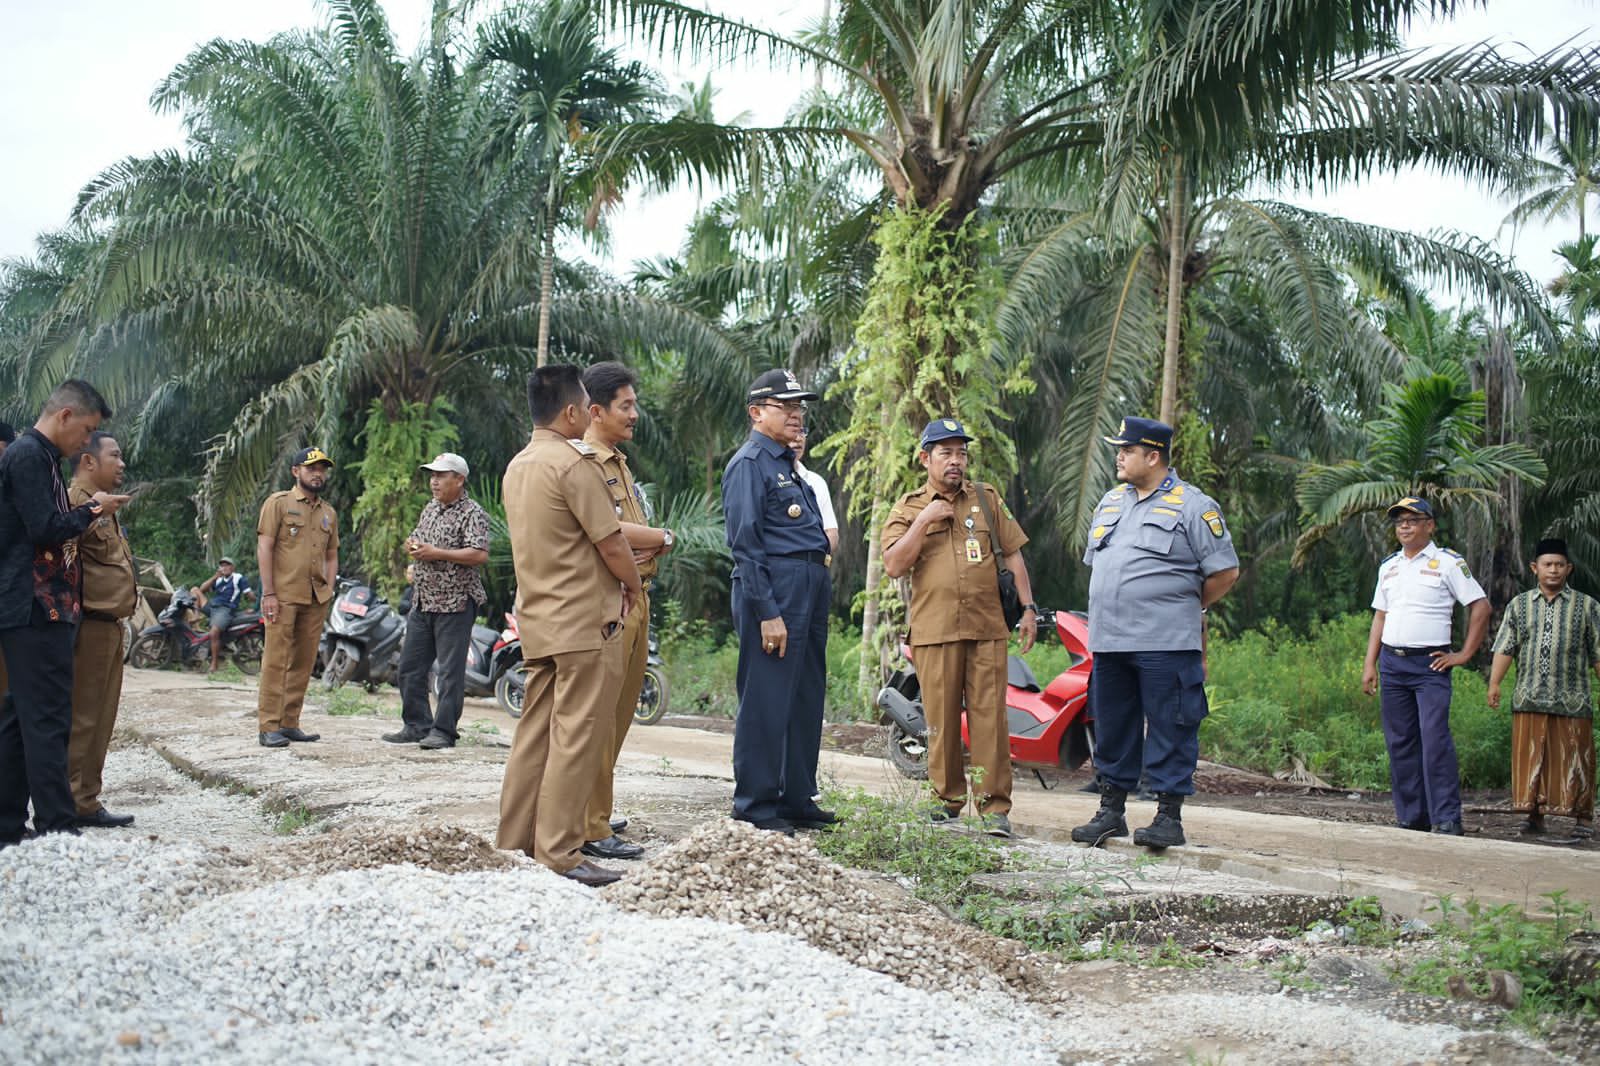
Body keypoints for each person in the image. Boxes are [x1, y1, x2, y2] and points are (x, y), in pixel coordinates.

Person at [497, 365, 642, 888]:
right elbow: (610, 542)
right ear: (572, 412)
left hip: (538, 619)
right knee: (576, 739)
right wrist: (632, 585)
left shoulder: (518, 465)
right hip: (583, 622)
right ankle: (559, 854)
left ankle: (514, 842)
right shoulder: (573, 464)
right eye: (584, 405)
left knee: (534, 736)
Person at [1072, 416, 1239, 849]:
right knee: (1112, 728)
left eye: (1127, 450)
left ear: (1153, 456)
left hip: (1165, 642)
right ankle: (1111, 812)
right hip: (1110, 642)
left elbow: (1225, 572)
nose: (1119, 457)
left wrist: (1184, 606)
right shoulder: (1110, 502)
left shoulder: (1193, 505)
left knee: (1170, 726)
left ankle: (1168, 817)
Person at [882, 418, 1038, 837]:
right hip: (934, 631)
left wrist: (1027, 608)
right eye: (946, 453)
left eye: (961, 453)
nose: (956, 461)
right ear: (925, 458)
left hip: (987, 627)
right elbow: (895, 564)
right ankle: (945, 801)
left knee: (990, 720)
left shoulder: (985, 498)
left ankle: (994, 810)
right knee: (942, 720)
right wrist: (924, 520)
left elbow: (1013, 555)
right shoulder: (909, 506)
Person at [0, 381, 128, 846]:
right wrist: (94, 508)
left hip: (38, 605)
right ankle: (57, 824)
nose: (84, 443)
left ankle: (9, 826)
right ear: (66, 416)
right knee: (49, 718)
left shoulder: (40, 458)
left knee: (19, 717)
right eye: (87, 430)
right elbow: (47, 529)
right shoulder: (29, 455)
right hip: (35, 606)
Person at [722, 368, 836, 836]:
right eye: (785, 406)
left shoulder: (788, 464)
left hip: (808, 584)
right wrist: (768, 611)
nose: (796, 414)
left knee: (805, 696)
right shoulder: (750, 463)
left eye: (799, 407)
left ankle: (796, 796)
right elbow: (746, 544)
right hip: (775, 588)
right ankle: (755, 803)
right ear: (756, 413)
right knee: (767, 696)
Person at [578, 361, 674, 862]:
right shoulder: (586, 462)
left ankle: (596, 807)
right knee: (600, 717)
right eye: (626, 406)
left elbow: (627, 528)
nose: (635, 414)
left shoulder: (618, 460)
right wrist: (664, 538)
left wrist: (648, 544)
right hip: (608, 600)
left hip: (636, 596)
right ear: (595, 411)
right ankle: (590, 824)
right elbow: (611, 531)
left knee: (619, 716)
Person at [1360, 497, 1490, 836]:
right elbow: (1380, 616)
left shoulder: (1447, 563)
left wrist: (1463, 655)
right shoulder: (1388, 566)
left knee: (1434, 740)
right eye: (1399, 521)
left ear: (1429, 525)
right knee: (1400, 742)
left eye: (1413, 520)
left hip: (1430, 664)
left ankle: (1446, 818)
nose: (1404, 526)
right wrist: (1369, 664)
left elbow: (1480, 606)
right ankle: (1412, 818)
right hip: (1392, 663)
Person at [1488, 537, 1599, 840]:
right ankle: (1534, 817)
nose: (1554, 570)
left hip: (1573, 701)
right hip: (1529, 696)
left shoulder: (1588, 606)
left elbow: (1598, 653)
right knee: (1532, 760)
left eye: (1559, 565)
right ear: (1535, 568)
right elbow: (1505, 647)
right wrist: (1495, 683)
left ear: (1569, 569)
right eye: (1548, 565)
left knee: (1579, 760)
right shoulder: (1519, 605)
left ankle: (1583, 819)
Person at [382, 452, 491, 750]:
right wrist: (413, 551)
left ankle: (444, 731)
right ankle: (416, 725)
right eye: (432, 475)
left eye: (441, 475)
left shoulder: (472, 512)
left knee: (449, 672)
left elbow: (479, 553)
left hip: (455, 603)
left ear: (459, 479)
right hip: (422, 600)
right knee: (410, 668)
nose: (434, 481)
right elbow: (417, 539)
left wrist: (436, 553)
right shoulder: (430, 508)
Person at [66, 431, 139, 828]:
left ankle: (86, 798)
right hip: (89, 626)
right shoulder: (78, 502)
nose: (122, 463)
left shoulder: (103, 506)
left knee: (103, 715)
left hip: (110, 626)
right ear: (89, 462)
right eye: (115, 455)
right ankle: (72, 798)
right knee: (84, 716)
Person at [255, 447, 339, 749]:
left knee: (303, 662)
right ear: (296, 471)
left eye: (322, 469)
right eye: (311, 468)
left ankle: (290, 723)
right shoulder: (278, 504)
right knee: (276, 660)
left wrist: (328, 589)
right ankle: (269, 726)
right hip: (283, 595)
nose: (318, 474)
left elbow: (332, 555)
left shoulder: (328, 512)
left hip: (315, 598)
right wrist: (269, 593)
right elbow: (264, 548)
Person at [195, 556, 255, 673]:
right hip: (213, 607)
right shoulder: (218, 579)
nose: (224, 567)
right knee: (194, 590)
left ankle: (214, 663)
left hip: (225, 609)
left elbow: (250, 595)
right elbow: (202, 589)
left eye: (227, 565)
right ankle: (196, 617)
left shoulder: (238, 578)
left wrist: (256, 605)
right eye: (222, 565)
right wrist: (215, 577)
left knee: (214, 633)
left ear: (232, 567)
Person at [791, 428, 839, 554]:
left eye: (802, 432)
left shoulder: (816, 481)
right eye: (792, 430)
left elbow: (831, 532)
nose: (798, 438)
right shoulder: (764, 475)